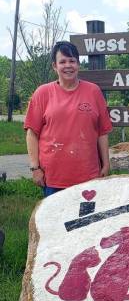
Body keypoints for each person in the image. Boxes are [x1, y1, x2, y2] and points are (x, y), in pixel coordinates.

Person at [24, 41, 113, 197]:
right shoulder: (43, 93)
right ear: (54, 66)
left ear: (78, 64)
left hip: (89, 176)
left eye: (72, 61)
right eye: (62, 62)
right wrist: (35, 168)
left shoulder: (93, 91)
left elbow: (102, 132)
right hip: (53, 178)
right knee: (55, 220)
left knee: (88, 220)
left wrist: (106, 164)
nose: (68, 65)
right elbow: (32, 134)